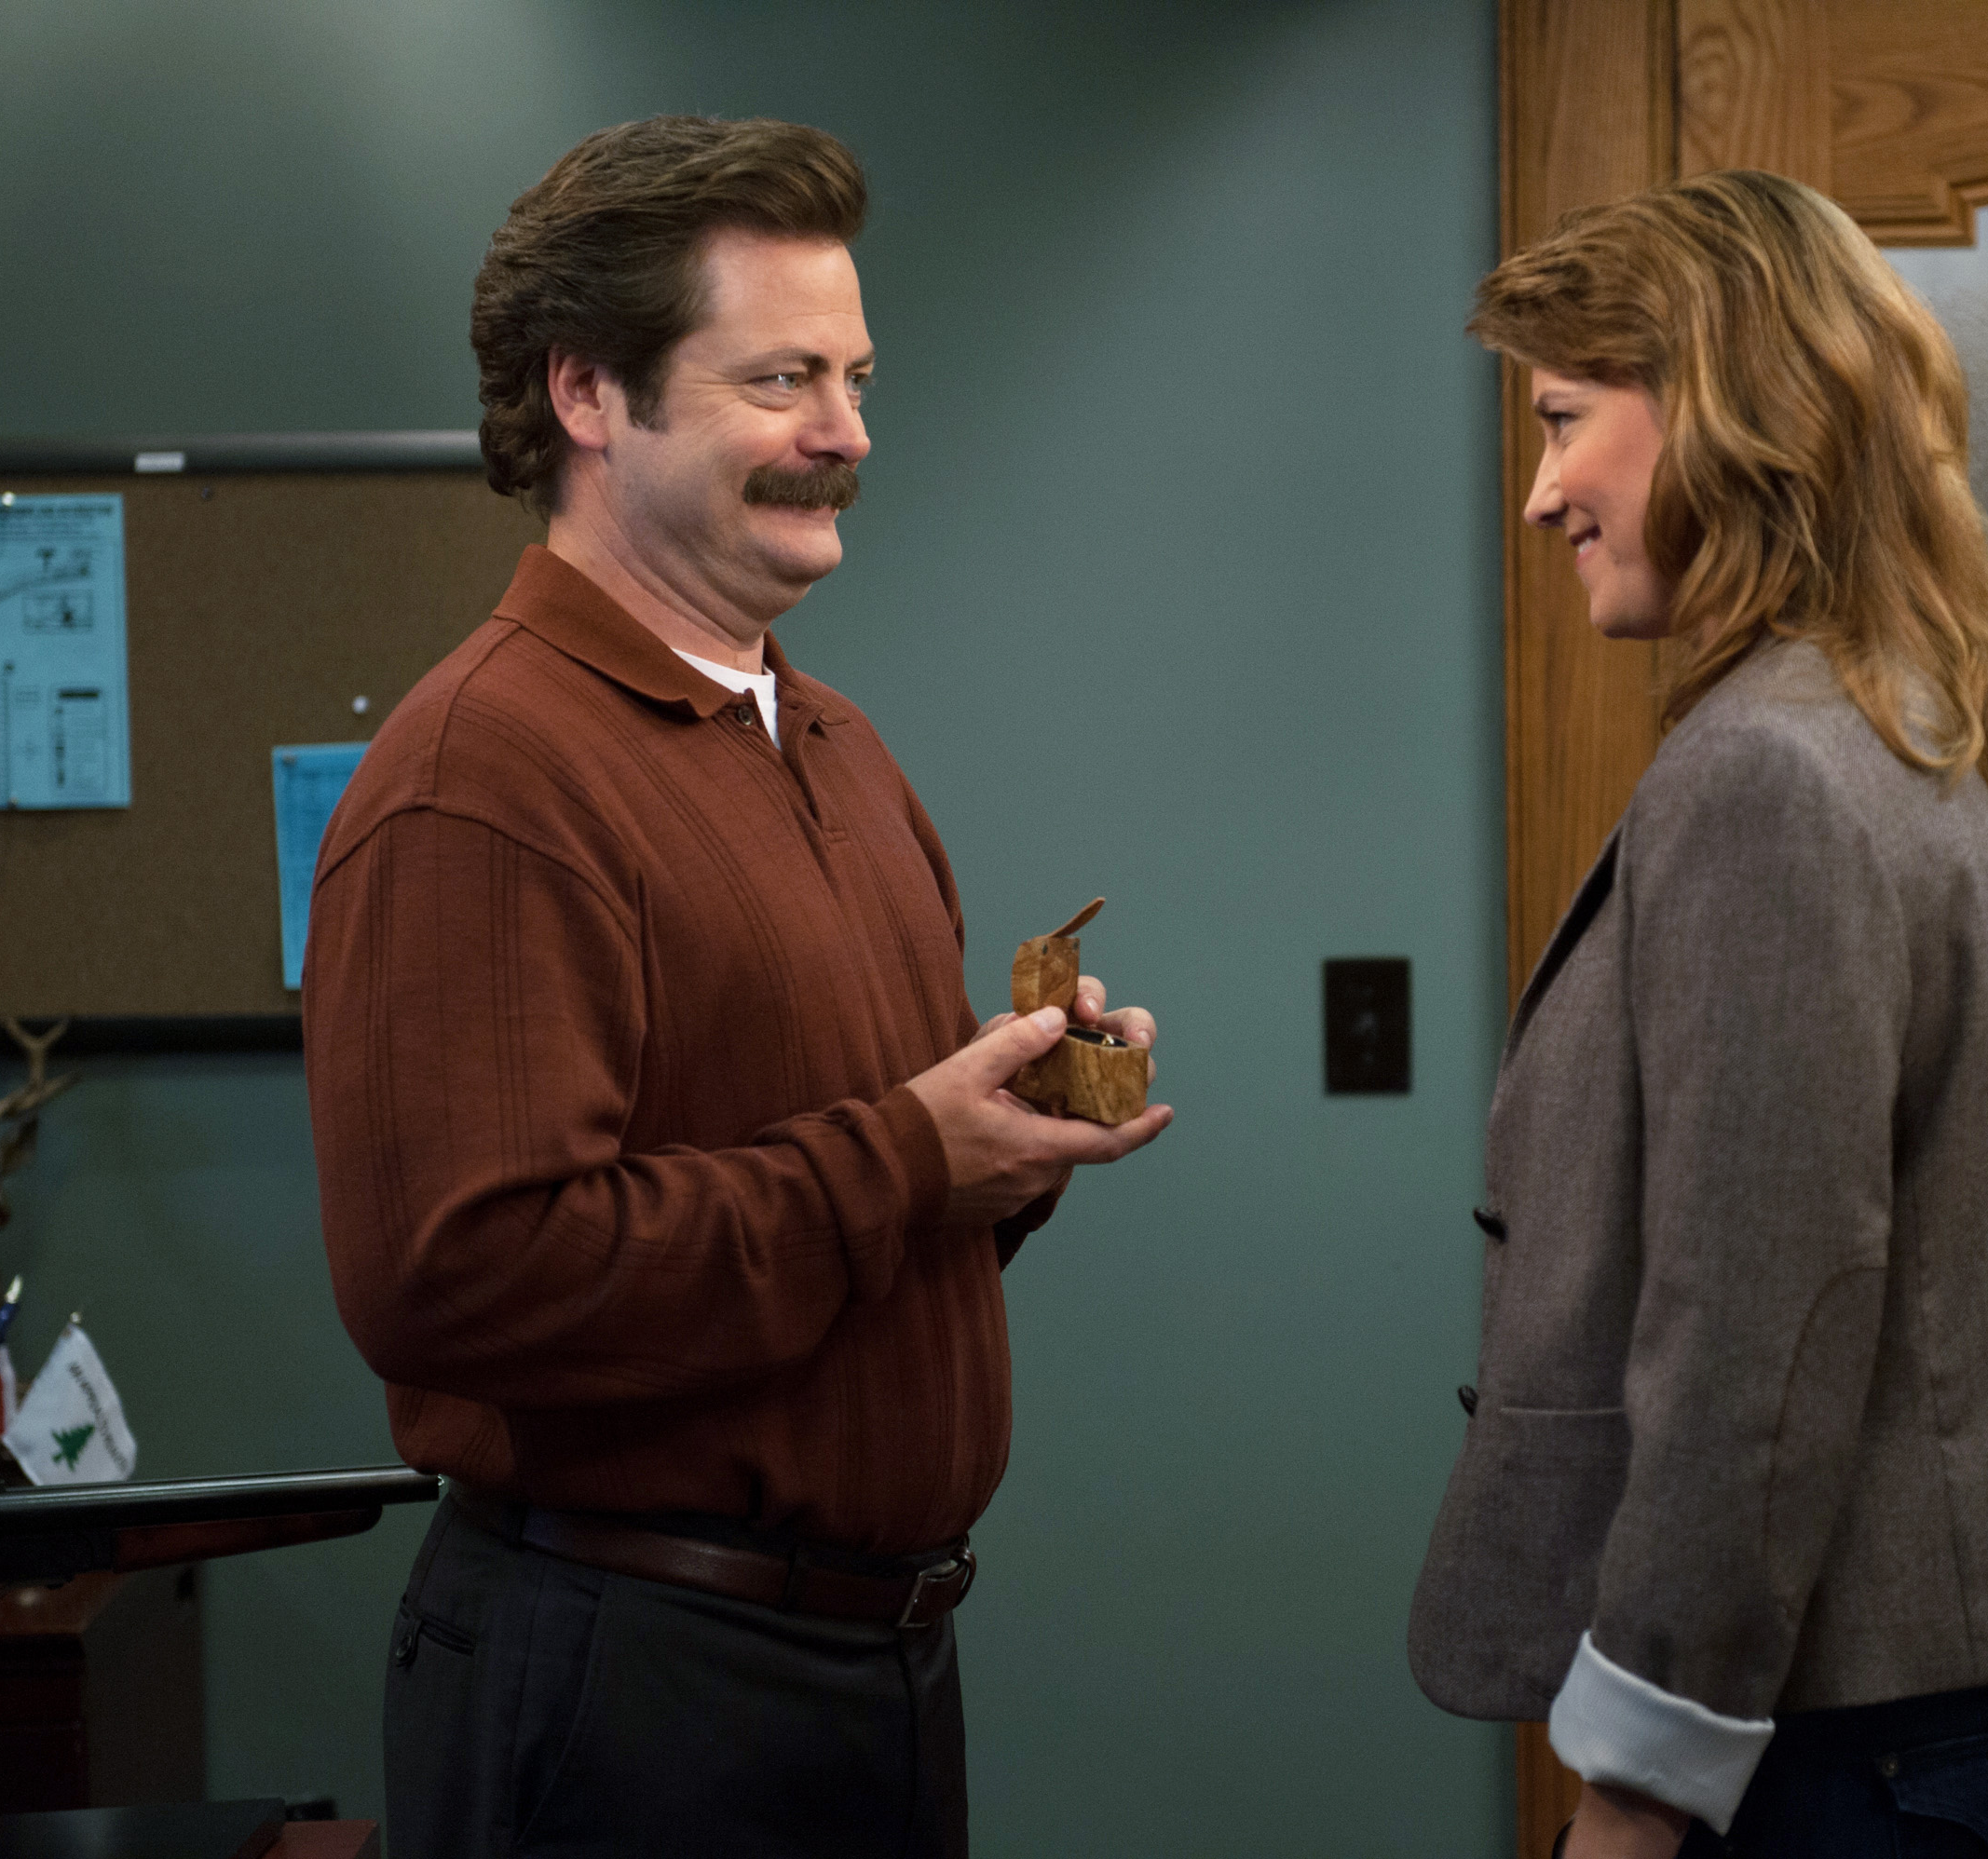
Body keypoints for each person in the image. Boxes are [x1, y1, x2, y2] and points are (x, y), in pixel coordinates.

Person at [303, 115, 1171, 1858]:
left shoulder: (833, 747)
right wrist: (911, 1160)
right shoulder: (485, 771)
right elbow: (459, 1280)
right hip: (633, 1689)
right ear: (588, 397)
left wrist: (999, 1135)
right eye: (781, 379)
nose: (847, 434)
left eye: (853, 376)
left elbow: (841, 1211)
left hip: (866, 1672)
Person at [1406, 170, 1988, 1859]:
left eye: (1567, 419)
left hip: (1856, 1724)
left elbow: (1756, 1334)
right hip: (1973, 1688)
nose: (1546, 489)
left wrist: (1635, 1789)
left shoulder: (1769, 771)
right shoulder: (1941, 717)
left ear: (1723, 413)